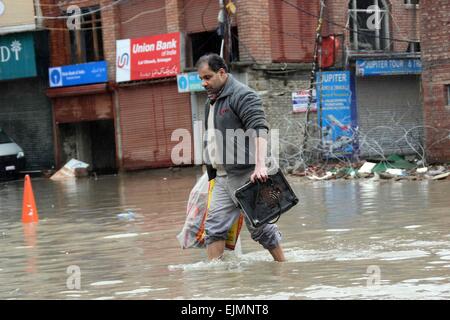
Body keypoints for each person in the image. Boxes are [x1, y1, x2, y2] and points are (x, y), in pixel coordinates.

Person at [197, 53, 286, 262]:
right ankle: (215, 275)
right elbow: (211, 138)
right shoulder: (210, 102)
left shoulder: (243, 95)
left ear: (222, 73)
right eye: (201, 78)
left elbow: (259, 129)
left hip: (247, 175)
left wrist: (260, 166)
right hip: (220, 177)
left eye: (208, 77)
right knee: (214, 227)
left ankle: (283, 266)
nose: (204, 83)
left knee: (260, 227)